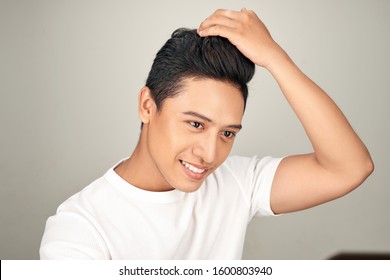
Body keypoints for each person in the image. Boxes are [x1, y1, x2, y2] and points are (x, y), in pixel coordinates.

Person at [40, 8, 374, 259]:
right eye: (196, 124)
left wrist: (275, 58)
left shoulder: (236, 181)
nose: (210, 154)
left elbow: (349, 167)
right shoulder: (80, 230)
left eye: (227, 133)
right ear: (147, 106)